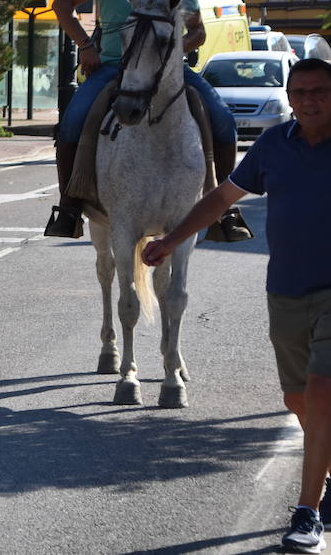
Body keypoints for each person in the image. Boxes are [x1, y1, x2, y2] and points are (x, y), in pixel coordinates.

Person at [141, 58, 331, 554]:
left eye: (321, 92)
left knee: (322, 390)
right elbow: (223, 195)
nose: (311, 101)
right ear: (291, 98)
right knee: (297, 400)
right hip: (287, 288)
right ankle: (75, 198)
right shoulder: (273, 144)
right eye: (302, 92)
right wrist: (172, 238)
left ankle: (308, 511)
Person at [43, 0, 251, 242]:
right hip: (113, 67)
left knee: (223, 119)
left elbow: (198, 31)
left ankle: (224, 210)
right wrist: (85, 44)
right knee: (73, 120)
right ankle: (68, 208)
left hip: (171, 72)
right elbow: (63, 3)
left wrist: (174, 51)